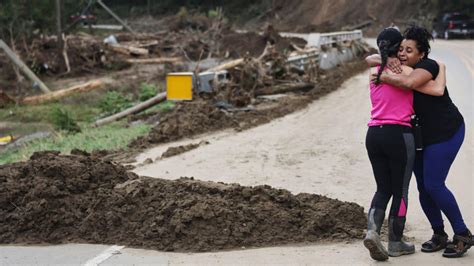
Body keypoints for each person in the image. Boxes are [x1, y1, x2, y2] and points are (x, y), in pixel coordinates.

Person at [367, 25, 473, 258]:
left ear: (422, 54)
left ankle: (463, 234)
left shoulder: (428, 66)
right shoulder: (402, 66)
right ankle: (439, 234)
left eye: (410, 50)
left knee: (434, 184)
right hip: (419, 135)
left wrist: (382, 72)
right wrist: (385, 59)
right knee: (423, 187)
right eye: (401, 49)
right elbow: (372, 57)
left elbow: (410, 83)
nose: (403, 53)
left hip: (446, 132)